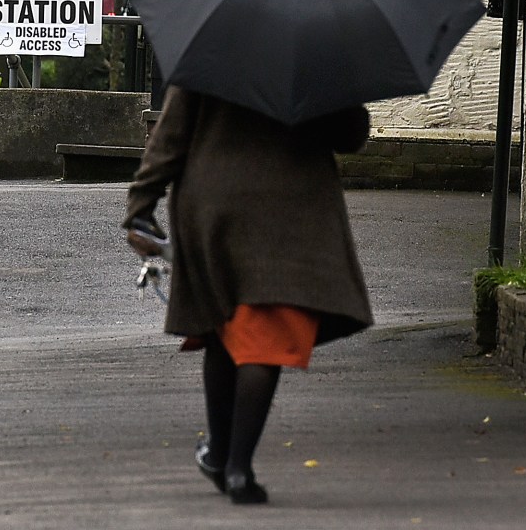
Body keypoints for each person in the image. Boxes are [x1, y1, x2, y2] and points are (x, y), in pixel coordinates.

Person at [123, 84, 373, 505]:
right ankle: (238, 468)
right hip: (290, 207)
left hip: (213, 203)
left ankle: (221, 453)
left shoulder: (213, 43)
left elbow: (171, 134)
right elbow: (350, 135)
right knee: (264, 335)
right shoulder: (315, 52)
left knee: (222, 328)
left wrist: (140, 205)